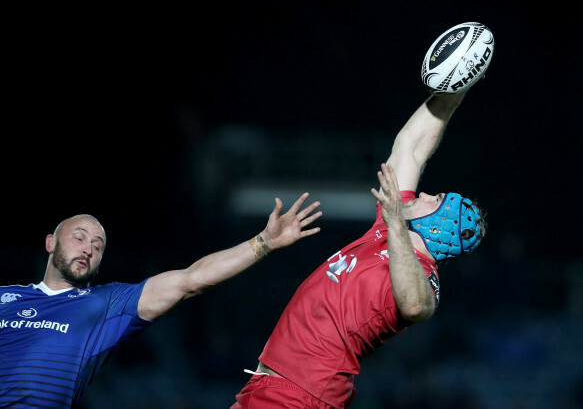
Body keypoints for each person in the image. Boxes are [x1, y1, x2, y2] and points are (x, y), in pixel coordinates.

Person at [231, 88, 487, 408]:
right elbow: (411, 148)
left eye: (433, 200)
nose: (423, 195)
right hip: (273, 386)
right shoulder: (390, 225)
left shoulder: (420, 267)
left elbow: (416, 307)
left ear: (437, 228)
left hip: (300, 395)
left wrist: (395, 222)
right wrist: (454, 91)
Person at [0, 193, 322, 408]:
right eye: (79, 237)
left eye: (97, 246)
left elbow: (191, 279)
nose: (88, 248)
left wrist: (264, 241)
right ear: (50, 242)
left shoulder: (107, 304)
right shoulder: (5, 297)